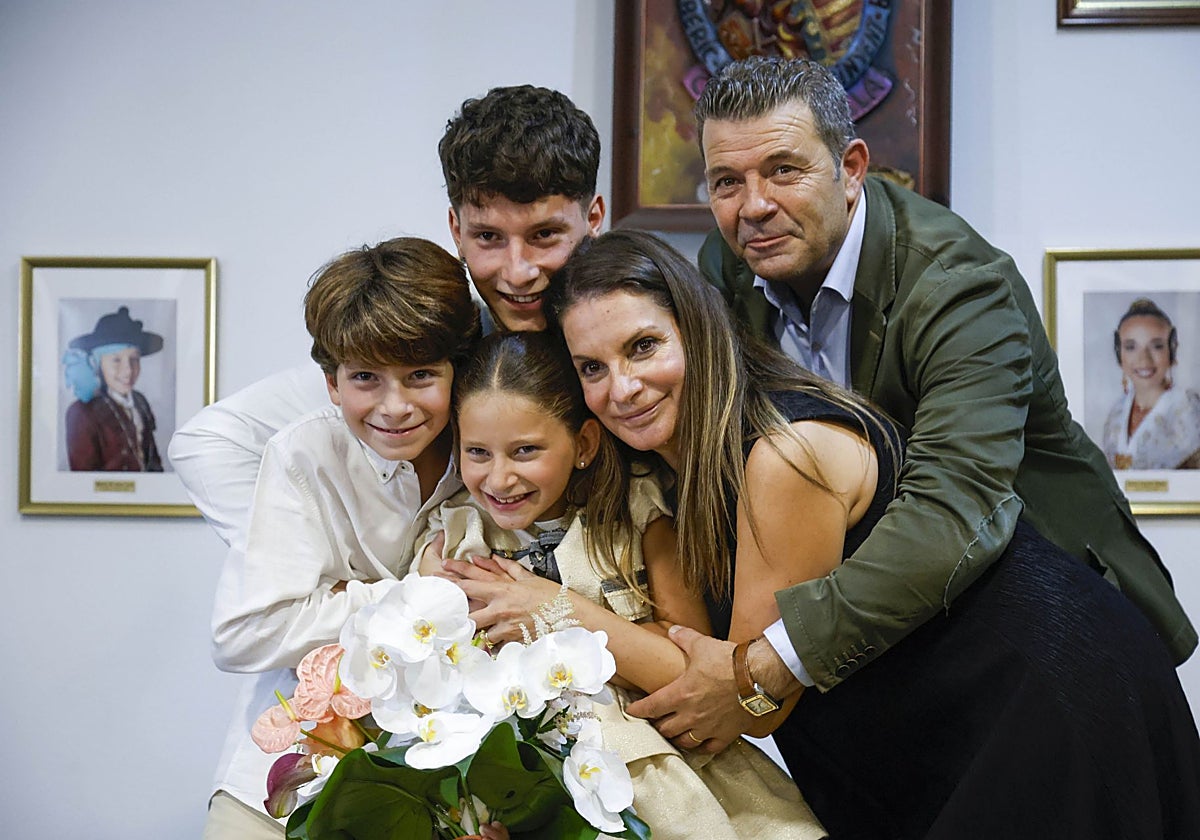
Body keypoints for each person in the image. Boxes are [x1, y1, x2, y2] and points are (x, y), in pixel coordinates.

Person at [527, 228, 1200, 839]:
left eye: (643, 347)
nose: (624, 386)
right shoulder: (675, 477)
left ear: (699, 334)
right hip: (949, 735)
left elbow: (745, 699)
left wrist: (551, 611)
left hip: (1047, 703)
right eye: (592, 367)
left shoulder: (784, 455)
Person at [665, 55, 1193, 720]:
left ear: (850, 168)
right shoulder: (729, 266)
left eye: (783, 170)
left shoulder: (961, 287)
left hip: (1053, 633)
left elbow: (952, 508)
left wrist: (764, 666)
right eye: (726, 183)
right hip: (909, 645)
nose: (755, 206)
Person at [420, 331, 824, 840]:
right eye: (478, 452)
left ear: (584, 443)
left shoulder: (637, 513)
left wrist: (557, 615)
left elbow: (689, 662)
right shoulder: (457, 537)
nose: (499, 479)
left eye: (525, 451)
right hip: (533, 777)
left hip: (668, 767)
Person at [168, 84, 604, 541]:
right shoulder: (435, 338)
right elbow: (209, 442)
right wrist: (300, 567)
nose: (517, 273)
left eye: (545, 235)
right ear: (456, 229)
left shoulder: (628, 337)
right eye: (489, 238)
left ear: (593, 218)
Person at [204, 237, 482, 837]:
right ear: (331, 383)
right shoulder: (306, 454)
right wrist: (410, 595)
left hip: (437, 790)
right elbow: (244, 635)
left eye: (421, 376)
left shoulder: (489, 454)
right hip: (286, 780)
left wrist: (336, 596)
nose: (395, 405)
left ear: (458, 372)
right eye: (365, 379)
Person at [63, 305, 165, 472]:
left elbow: (152, 459)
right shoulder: (82, 412)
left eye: (134, 359)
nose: (128, 370)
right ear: (97, 364)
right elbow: (83, 480)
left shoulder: (140, 402)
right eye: (116, 360)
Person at [1102, 297, 1200, 470]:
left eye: (1156, 346)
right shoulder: (1116, 415)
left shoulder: (1189, 409)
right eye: (1131, 347)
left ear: (1172, 349)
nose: (1144, 359)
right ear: (1119, 353)